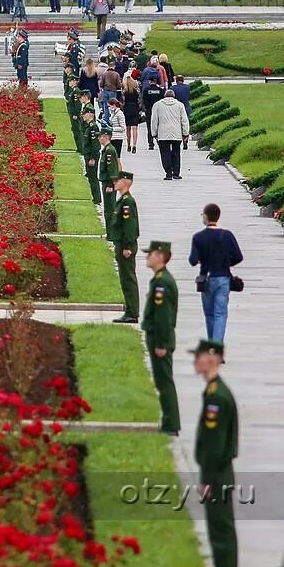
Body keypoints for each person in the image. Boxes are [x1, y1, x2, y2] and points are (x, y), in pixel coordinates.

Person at [191, 338, 238, 567]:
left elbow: (215, 445)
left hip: (217, 474)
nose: (194, 361)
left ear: (211, 359)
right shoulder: (213, 392)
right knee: (219, 528)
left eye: (198, 357)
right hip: (218, 472)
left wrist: (207, 479)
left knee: (221, 531)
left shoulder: (216, 398)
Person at [140, 241, 179, 436]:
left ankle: (171, 424)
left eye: (151, 254)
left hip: (160, 339)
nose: (147, 257)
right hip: (157, 337)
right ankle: (168, 421)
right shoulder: (159, 279)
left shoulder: (162, 283)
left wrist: (161, 344)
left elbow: (164, 317)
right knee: (162, 380)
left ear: (161, 256)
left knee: (164, 382)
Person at [189, 203, 243, 342]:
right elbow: (238, 256)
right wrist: (226, 263)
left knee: (209, 314)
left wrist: (202, 260)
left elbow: (193, 260)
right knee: (220, 313)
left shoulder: (198, 237)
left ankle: (212, 344)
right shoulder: (227, 235)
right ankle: (217, 346)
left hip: (206, 279)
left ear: (205, 217)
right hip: (224, 278)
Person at [108, 171, 140, 324]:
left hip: (125, 245)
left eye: (117, 181)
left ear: (126, 182)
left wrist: (127, 246)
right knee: (125, 278)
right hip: (121, 244)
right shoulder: (123, 200)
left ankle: (132, 312)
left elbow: (129, 226)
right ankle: (130, 310)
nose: (115, 183)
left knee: (128, 279)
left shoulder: (127, 202)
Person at [151, 89, 191, 181]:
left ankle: (168, 173)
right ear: (174, 96)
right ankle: (176, 173)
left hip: (163, 133)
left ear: (165, 96)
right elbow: (184, 120)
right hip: (176, 133)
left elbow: (154, 120)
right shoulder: (180, 105)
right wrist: (185, 133)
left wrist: (154, 133)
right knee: (176, 153)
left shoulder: (157, 105)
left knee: (165, 153)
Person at [96, 125, 121, 233]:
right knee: (108, 209)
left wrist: (111, 185)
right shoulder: (106, 150)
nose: (98, 138)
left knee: (110, 210)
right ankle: (110, 232)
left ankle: (112, 233)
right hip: (106, 182)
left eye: (100, 136)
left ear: (106, 137)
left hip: (109, 183)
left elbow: (112, 170)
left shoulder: (109, 151)